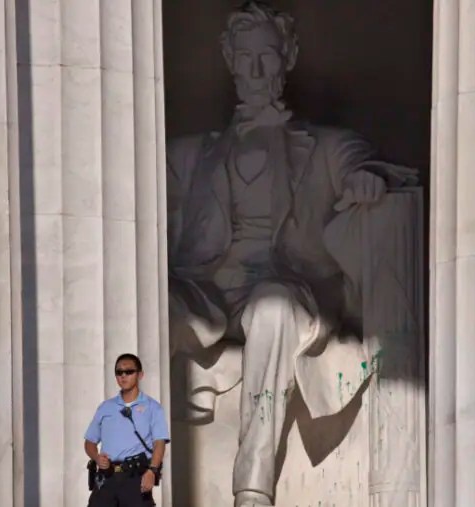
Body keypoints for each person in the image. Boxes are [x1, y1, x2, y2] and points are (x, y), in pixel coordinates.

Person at [166, 2, 414, 505]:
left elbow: (363, 165)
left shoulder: (325, 145)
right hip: (210, 292)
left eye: (268, 57)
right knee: (143, 302)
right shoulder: (189, 155)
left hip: (292, 291)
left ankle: (252, 485)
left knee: (272, 307)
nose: (256, 70)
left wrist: (366, 180)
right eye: (245, 56)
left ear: (289, 59)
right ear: (229, 60)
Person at [84, 354, 170, 507]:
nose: (123, 376)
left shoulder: (153, 407)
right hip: (107, 477)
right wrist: (97, 457)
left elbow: (159, 443)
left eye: (129, 371)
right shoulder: (106, 407)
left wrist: (152, 471)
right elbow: (89, 441)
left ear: (140, 375)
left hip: (135, 478)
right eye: (119, 372)